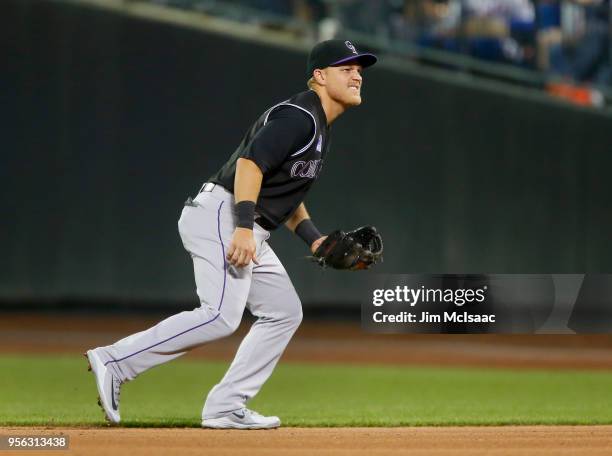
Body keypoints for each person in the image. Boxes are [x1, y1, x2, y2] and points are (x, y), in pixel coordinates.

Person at [84, 39, 377, 430]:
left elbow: (283, 197)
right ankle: (116, 361)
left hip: (245, 220)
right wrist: (241, 227)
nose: (357, 74)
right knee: (221, 316)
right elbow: (250, 165)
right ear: (319, 77)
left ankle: (226, 406)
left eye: (359, 68)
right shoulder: (299, 117)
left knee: (284, 312)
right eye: (346, 68)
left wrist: (314, 239)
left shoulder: (318, 126)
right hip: (224, 214)